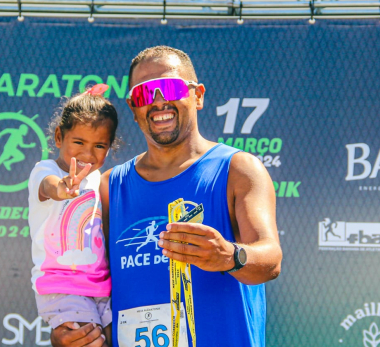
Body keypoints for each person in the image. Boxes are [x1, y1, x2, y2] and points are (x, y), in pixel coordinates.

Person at [50, 46, 283, 347]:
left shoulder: (238, 169)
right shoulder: (109, 187)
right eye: (144, 95)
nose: (158, 102)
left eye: (169, 87)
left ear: (197, 96)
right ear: (133, 110)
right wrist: (69, 327)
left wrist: (229, 256)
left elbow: (271, 261)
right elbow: (85, 278)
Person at [28, 86, 118, 347]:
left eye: (99, 145)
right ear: (59, 137)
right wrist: (62, 188)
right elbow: (49, 186)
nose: (87, 154)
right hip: (62, 287)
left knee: (114, 340)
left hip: (101, 286)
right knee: (90, 342)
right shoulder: (43, 170)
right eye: (78, 142)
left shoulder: (99, 179)